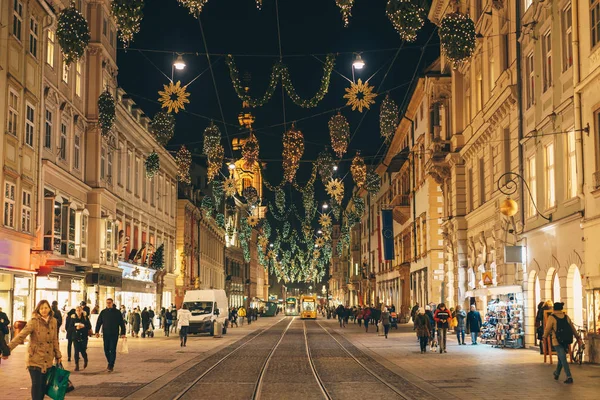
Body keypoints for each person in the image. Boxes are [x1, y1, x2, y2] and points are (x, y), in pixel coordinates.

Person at [7, 300, 62, 400]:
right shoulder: (33, 321)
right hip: (35, 359)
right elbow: (21, 335)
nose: (44, 310)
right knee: (37, 385)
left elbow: (55, 339)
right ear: (38, 310)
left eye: (46, 307)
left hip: (48, 359)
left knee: (42, 386)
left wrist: (58, 355)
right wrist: (8, 349)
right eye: (41, 308)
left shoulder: (54, 321)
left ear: (49, 308)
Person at [543, 302, 583, 384]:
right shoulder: (566, 317)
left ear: (554, 308)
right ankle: (557, 373)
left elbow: (547, 329)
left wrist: (544, 336)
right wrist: (577, 337)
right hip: (566, 340)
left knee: (563, 359)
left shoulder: (552, 317)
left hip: (557, 341)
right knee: (561, 358)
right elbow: (572, 328)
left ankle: (569, 376)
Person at [95, 298, 126, 372]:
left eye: (109, 303)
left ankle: (111, 365)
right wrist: (97, 331)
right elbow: (99, 322)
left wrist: (123, 333)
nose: (108, 304)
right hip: (106, 334)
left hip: (114, 334)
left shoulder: (117, 312)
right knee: (106, 349)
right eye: (107, 303)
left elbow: (121, 323)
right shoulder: (103, 312)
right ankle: (110, 361)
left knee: (112, 349)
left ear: (112, 303)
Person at [70, 306, 91, 371]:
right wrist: (76, 328)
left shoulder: (85, 318)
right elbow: (69, 328)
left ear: (82, 311)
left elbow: (89, 326)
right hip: (76, 336)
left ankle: (85, 359)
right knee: (76, 351)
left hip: (84, 336)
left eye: (79, 310)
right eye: (77, 310)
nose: (78, 312)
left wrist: (83, 326)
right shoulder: (73, 318)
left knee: (83, 350)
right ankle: (77, 365)